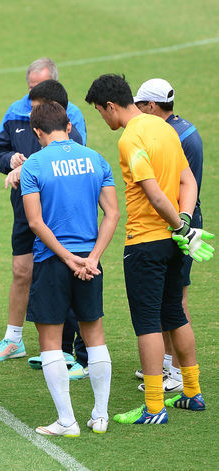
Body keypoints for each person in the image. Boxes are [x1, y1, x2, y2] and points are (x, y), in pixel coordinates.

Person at [85, 74, 213, 424]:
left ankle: (154, 407)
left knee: (147, 323)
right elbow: (188, 181)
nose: (103, 118)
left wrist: (177, 226)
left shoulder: (131, 138)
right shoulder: (165, 129)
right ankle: (192, 392)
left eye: (100, 112)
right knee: (175, 313)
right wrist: (184, 223)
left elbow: (153, 193)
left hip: (145, 242)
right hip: (175, 242)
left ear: (111, 106)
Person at [20, 101, 118, 436]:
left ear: (37, 131)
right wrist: (92, 258)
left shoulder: (34, 165)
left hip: (52, 260)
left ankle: (67, 421)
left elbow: (35, 222)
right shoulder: (96, 159)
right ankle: (100, 416)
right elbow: (112, 213)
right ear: (69, 126)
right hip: (90, 261)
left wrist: (65, 257)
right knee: (95, 336)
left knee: (50, 340)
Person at [0, 70, 86, 366]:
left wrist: (27, 167)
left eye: (35, 103)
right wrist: (10, 161)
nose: (29, 111)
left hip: (55, 213)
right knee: (21, 271)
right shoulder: (15, 113)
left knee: (61, 274)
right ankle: (14, 339)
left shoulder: (71, 123)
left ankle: (69, 351)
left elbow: (68, 158)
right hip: (24, 208)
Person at [133, 78, 204, 393]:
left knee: (176, 300)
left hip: (178, 222)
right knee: (168, 298)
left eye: (139, 104)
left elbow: (173, 186)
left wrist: (181, 224)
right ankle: (165, 362)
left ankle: (176, 373)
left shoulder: (170, 135)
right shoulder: (183, 129)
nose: (136, 110)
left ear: (151, 105)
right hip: (182, 219)